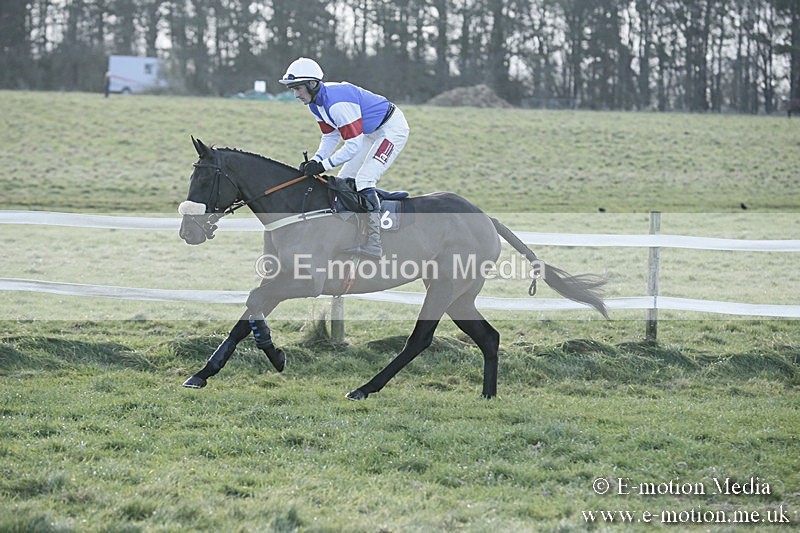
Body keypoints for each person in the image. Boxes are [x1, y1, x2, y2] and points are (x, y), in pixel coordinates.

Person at [279, 57, 409, 258]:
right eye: (292, 89)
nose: (295, 94)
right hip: (369, 132)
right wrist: (316, 159)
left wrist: (323, 165)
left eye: (298, 88)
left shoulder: (337, 103)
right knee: (345, 178)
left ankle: (375, 244)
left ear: (313, 84)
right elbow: (331, 135)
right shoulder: (315, 103)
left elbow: (353, 145)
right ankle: (353, 233)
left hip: (392, 129)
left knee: (365, 178)